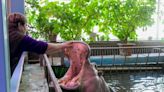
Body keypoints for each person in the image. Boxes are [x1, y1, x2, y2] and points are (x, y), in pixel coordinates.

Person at [8, 12, 73, 76]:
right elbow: (42, 47)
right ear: (19, 25)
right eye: (25, 25)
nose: (26, 29)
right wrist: (64, 45)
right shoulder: (20, 38)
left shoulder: (7, 35)